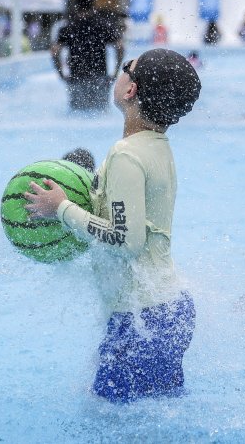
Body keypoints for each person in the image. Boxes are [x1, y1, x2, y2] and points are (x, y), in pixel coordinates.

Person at [24, 48, 201, 402]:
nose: (119, 74)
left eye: (125, 69)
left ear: (131, 90)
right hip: (168, 310)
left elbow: (125, 239)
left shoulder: (126, 154)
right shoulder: (157, 148)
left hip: (142, 318)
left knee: (111, 418)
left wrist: (61, 208)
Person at [51, 0, 124, 111]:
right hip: (99, 77)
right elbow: (120, 48)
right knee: (99, 114)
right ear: (93, 4)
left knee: (77, 113)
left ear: (76, 5)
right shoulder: (103, 25)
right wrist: (115, 72)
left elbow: (54, 52)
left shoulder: (68, 26)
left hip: (76, 77)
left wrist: (61, 74)